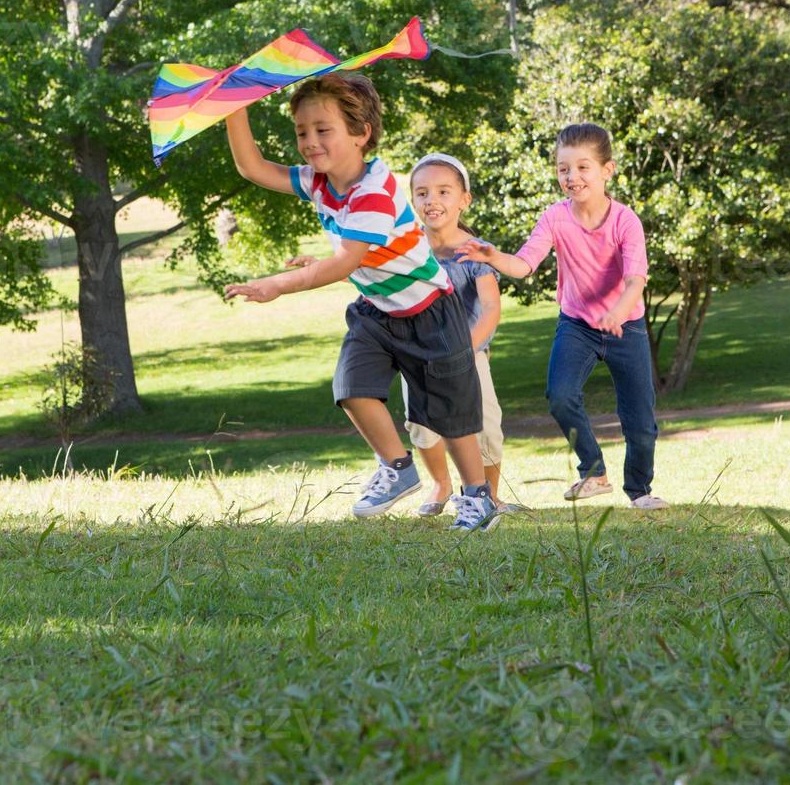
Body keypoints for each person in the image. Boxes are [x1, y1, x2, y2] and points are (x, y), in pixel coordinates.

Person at [220, 73, 498, 531]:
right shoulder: (320, 181)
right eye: (302, 132)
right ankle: (397, 466)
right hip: (377, 311)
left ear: (361, 132)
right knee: (351, 387)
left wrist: (279, 284)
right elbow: (253, 167)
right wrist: (234, 106)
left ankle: (476, 496)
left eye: (322, 130)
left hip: (430, 312)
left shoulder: (374, 191)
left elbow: (345, 261)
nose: (309, 142)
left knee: (452, 414)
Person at [458, 123, 667, 509]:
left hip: (627, 325)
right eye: (563, 169)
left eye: (583, 167)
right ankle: (593, 471)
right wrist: (492, 256)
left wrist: (618, 312)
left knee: (639, 421)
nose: (572, 177)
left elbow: (636, 278)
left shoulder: (625, 221)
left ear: (608, 170)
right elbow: (524, 264)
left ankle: (640, 492)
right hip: (577, 325)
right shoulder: (555, 217)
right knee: (560, 396)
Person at [394, 153, 517, 520]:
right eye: (423, 193)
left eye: (444, 191)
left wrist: (464, 350)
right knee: (422, 426)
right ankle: (442, 485)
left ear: (464, 200)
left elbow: (491, 308)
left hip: (469, 353)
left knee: (487, 427)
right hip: (419, 354)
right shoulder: (410, 249)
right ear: (413, 201)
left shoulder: (474, 250)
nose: (432, 200)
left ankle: (488, 495)